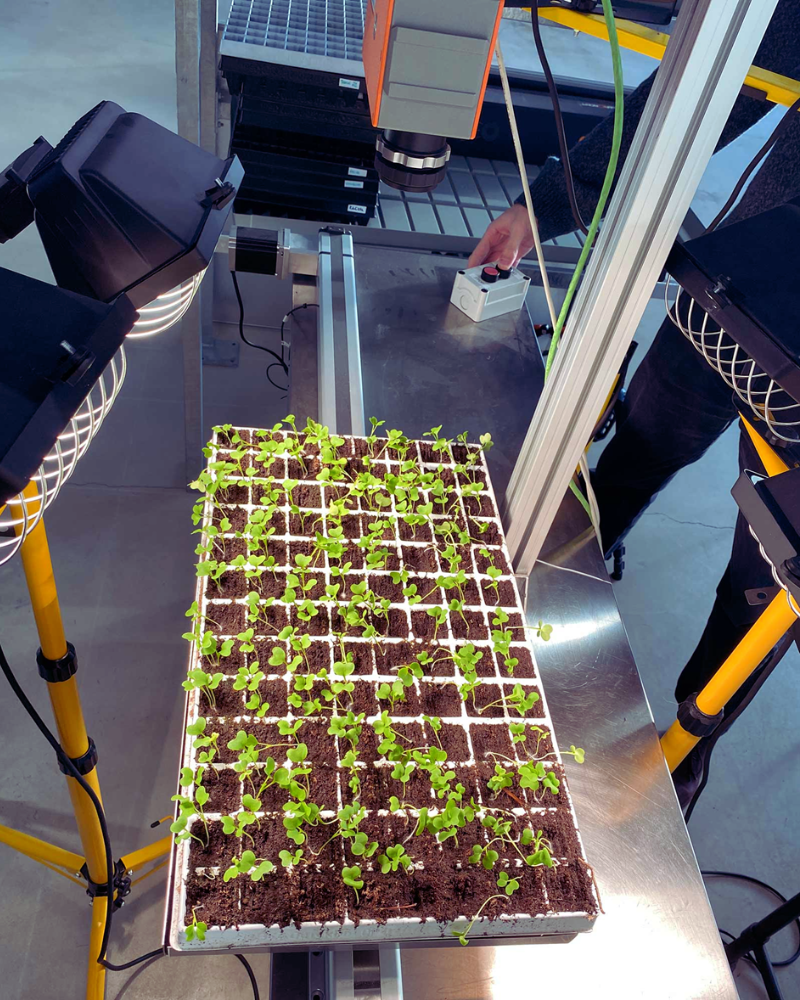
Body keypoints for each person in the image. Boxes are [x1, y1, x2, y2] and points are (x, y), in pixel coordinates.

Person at [469, 0, 800, 814]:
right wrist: (543, 208)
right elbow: (696, 99)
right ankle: (537, 609)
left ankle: (685, 749)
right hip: (727, 301)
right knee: (633, 459)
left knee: (762, 588)